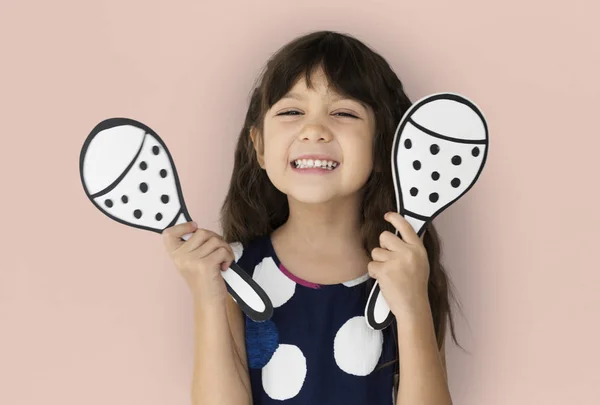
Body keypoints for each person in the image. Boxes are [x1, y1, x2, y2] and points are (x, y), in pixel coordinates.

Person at [162, 30, 461, 405]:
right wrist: (207, 297)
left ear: (384, 147)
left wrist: (414, 303)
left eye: (343, 113)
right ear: (260, 147)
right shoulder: (232, 273)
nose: (315, 130)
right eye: (291, 111)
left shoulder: (406, 271)